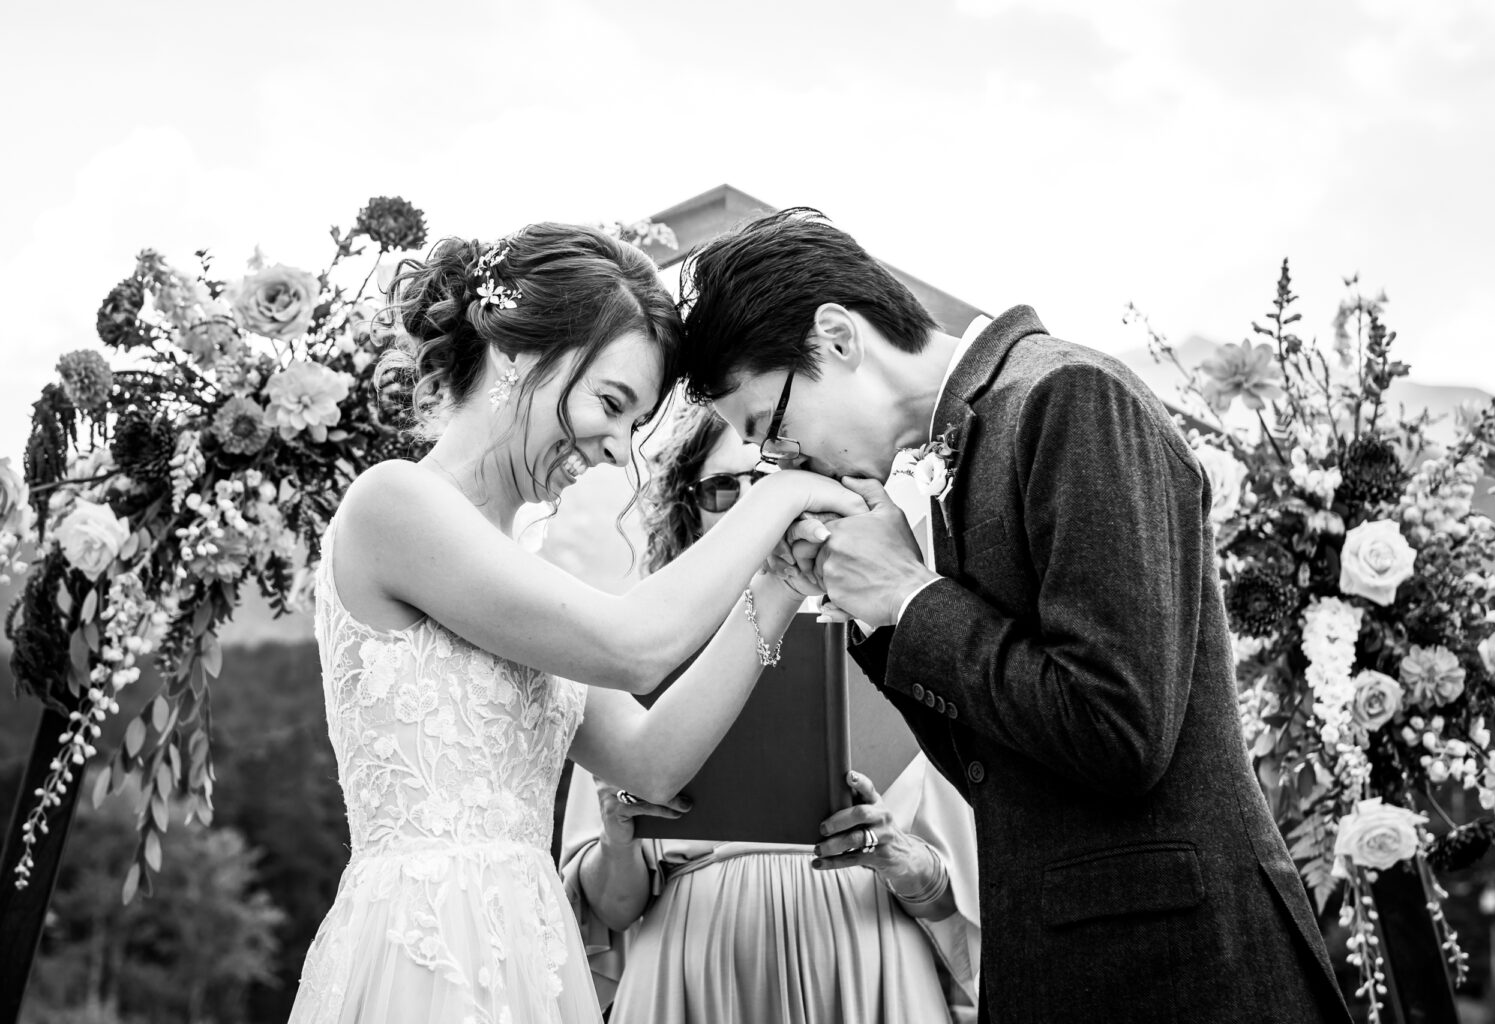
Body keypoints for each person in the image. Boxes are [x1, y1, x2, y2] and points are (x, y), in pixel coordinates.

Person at [676, 208, 1355, 1024]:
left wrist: (908, 598)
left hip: (1181, 970)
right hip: (1058, 969)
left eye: (773, 430)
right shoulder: (951, 456)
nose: (786, 468)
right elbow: (994, 768)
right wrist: (882, 620)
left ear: (836, 337)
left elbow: (1118, 728)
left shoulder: (1067, 396)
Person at [286, 223, 866, 1024]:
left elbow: (650, 763)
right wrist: (780, 496)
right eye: (612, 403)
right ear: (515, 355)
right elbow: (635, 648)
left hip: (531, 952)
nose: (619, 449)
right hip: (427, 947)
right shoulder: (395, 503)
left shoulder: (526, 571)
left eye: (636, 425)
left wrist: (773, 587)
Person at [559, 401, 981, 1023]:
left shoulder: (905, 651)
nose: (757, 510)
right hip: (690, 977)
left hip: (864, 976)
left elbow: (963, 902)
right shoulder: (638, 662)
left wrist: (899, 856)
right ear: (687, 509)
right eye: (723, 488)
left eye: (770, 486)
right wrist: (619, 839)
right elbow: (608, 915)